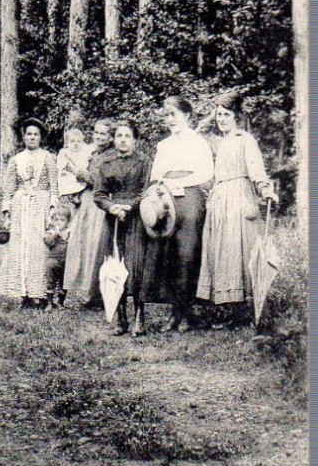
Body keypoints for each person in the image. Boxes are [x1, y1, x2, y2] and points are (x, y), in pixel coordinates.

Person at [196, 89, 278, 324]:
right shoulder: (218, 142)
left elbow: (256, 170)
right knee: (219, 252)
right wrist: (210, 118)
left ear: (237, 117)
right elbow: (198, 133)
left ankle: (242, 310)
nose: (222, 119)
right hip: (219, 198)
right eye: (219, 115)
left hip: (238, 197)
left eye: (226, 115)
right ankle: (223, 307)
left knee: (236, 249)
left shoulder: (245, 139)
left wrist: (264, 188)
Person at [141, 96, 214, 332]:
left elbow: (206, 173)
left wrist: (181, 182)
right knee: (169, 255)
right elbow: (156, 175)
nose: (170, 119)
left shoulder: (198, 142)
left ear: (187, 115)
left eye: (174, 114)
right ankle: (173, 312)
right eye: (167, 115)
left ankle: (186, 313)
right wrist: (161, 186)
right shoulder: (164, 145)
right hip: (165, 201)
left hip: (190, 200)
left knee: (187, 255)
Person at [94, 119, 151, 336]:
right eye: (119, 136)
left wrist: (130, 206)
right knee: (114, 265)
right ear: (113, 139)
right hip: (114, 219)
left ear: (135, 140)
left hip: (136, 217)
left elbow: (146, 190)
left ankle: (139, 317)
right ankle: (121, 318)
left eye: (128, 136)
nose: (123, 140)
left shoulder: (144, 161)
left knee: (135, 266)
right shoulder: (105, 163)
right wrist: (112, 207)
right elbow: (98, 195)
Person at [0, 117, 59, 308]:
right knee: (20, 248)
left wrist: (52, 209)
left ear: (40, 137)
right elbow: (9, 188)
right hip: (20, 206)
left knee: (38, 249)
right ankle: (23, 293)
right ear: (23, 137)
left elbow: (54, 187)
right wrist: (7, 212)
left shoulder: (48, 158)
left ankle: (39, 295)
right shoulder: (16, 160)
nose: (32, 138)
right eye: (29, 134)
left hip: (40, 206)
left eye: (36, 134)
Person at [63, 118, 116, 305]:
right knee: (82, 245)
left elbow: (98, 180)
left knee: (97, 245)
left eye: (103, 133)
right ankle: (84, 292)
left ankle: (96, 294)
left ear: (110, 137)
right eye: (96, 133)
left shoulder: (112, 155)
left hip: (100, 204)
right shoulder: (92, 153)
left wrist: (75, 170)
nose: (99, 136)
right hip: (86, 200)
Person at [56, 127, 95, 205]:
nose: (76, 144)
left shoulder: (83, 152)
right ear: (67, 143)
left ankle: (77, 194)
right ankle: (72, 195)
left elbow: (91, 148)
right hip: (68, 176)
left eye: (78, 141)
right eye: (72, 141)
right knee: (68, 179)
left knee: (82, 179)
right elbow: (61, 163)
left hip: (80, 175)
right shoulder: (65, 152)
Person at [43, 204, 71, 308]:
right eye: (57, 220)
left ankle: (60, 302)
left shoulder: (69, 232)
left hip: (66, 260)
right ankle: (49, 302)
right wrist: (55, 234)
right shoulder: (51, 232)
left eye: (62, 220)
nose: (59, 222)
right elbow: (48, 242)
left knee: (63, 282)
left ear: (68, 222)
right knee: (50, 280)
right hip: (53, 259)